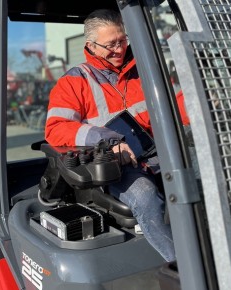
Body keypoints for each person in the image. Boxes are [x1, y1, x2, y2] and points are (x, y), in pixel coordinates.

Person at [45, 9, 189, 262]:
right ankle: (182, 266)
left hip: (159, 152)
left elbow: (174, 108)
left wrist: (207, 104)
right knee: (146, 199)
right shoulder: (73, 82)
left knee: (211, 177)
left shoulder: (146, 71)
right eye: (111, 44)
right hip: (115, 167)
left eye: (122, 41)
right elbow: (56, 128)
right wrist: (109, 140)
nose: (120, 49)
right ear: (91, 45)